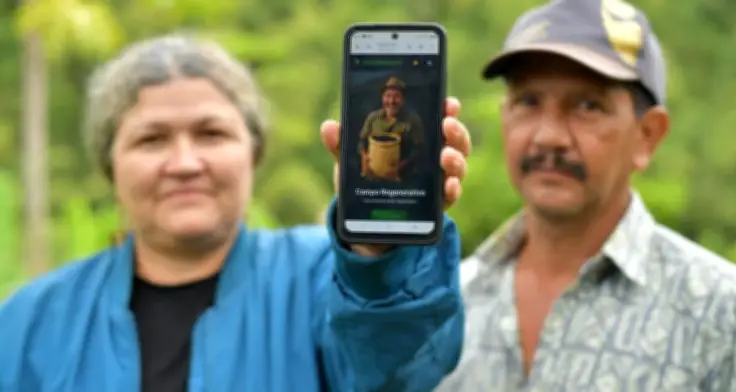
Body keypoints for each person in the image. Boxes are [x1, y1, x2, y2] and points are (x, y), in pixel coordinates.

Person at [0, 35, 473, 392]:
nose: (185, 163)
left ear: (254, 151)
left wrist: (377, 257)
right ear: (109, 165)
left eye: (211, 134)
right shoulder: (30, 322)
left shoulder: (324, 279)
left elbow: (401, 367)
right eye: (151, 139)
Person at [436, 0, 736, 391]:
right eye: (528, 102)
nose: (548, 136)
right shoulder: (446, 300)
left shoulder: (722, 313)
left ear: (648, 135)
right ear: (504, 113)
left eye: (587, 106)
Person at [358, 76, 425, 182]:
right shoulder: (373, 118)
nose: (391, 101)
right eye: (387, 96)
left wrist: (399, 168)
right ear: (382, 98)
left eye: (396, 96)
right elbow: (362, 142)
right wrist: (364, 161)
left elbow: (419, 149)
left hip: (403, 179)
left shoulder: (412, 120)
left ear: (403, 99)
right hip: (373, 176)